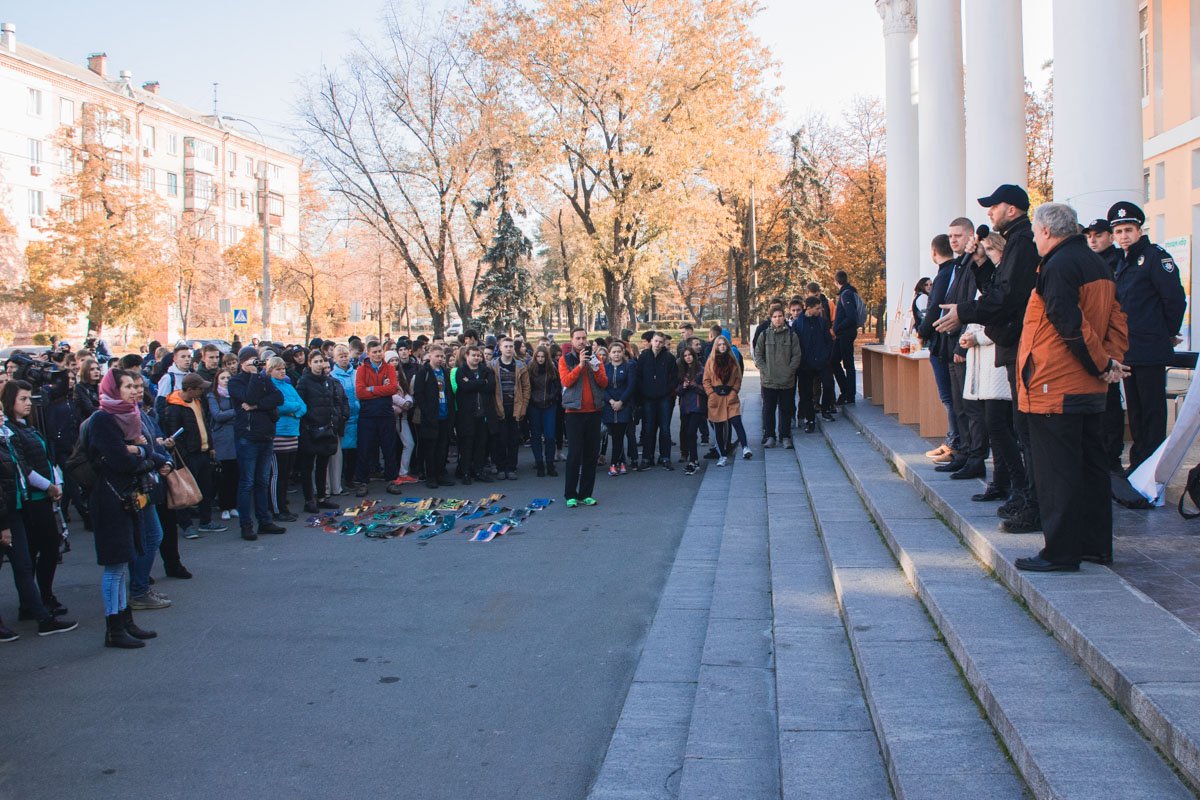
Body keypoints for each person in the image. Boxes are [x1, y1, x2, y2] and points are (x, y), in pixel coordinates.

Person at [1013, 203, 1129, 572]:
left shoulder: (1059, 265)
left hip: (1055, 385)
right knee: (1092, 468)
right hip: (1088, 386)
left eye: (1035, 232)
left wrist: (1101, 363)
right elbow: (1117, 319)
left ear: (1047, 231)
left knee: (1057, 472)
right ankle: (1095, 546)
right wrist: (1109, 363)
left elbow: (1069, 322)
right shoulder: (1098, 262)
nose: (1033, 238)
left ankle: (1060, 552)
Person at [935, 183, 1041, 533]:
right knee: (1011, 425)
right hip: (1003, 343)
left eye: (993, 207)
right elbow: (996, 288)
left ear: (1012, 209)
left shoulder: (1022, 243)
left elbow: (1008, 297)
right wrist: (980, 264)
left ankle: (1028, 497)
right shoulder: (1016, 241)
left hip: (1011, 342)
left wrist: (965, 313)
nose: (989, 214)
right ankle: (1021, 493)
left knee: (1017, 428)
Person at [87, 368, 165, 647]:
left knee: (124, 562)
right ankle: (114, 629)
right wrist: (141, 452)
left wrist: (140, 452)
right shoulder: (103, 419)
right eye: (127, 386)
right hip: (110, 500)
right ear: (113, 389)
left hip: (127, 496)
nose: (134, 391)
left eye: (135, 386)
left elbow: (143, 452)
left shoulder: (129, 415)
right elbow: (121, 460)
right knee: (115, 566)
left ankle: (125, 620)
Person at [1110, 200, 1187, 473]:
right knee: (1137, 411)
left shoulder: (1155, 257)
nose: (1124, 236)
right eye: (1119, 232)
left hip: (1150, 347)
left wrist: (1168, 332)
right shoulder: (1123, 261)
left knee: (1152, 412)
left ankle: (1152, 467)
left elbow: (1174, 299)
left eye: (1129, 230)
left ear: (1139, 230)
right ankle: (1138, 463)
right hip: (1129, 349)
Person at [0, 404, 77, 639]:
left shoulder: (8, 439)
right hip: (6, 516)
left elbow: (21, 472)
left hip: (15, 511)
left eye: (1, 411)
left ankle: (42, 618)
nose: (1, 415)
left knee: (23, 565)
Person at [961, 232, 1024, 504]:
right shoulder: (993, 278)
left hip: (999, 359)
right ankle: (1001, 481)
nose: (985, 254)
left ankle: (1015, 482)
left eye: (989, 250)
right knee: (994, 426)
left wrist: (977, 336)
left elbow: (1001, 317)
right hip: (985, 362)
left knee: (999, 426)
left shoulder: (1008, 278)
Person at [228, 347, 286, 540]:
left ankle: (264, 521)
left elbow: (278, 398)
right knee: (247, 483)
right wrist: (254, 378)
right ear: (242, 362)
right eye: (251, 361)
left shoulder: (264, 379)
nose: (255, 365)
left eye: (257, 361)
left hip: (266, 435)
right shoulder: (235, 382)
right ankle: (246, 524)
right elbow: (248, 397)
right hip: (248, 437)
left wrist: (257, 406)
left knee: (263, 481)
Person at [1083, 218, 1126, 474]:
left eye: (1099, 235)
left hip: (1112, 344)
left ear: (1110, 237)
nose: (1093, 239)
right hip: (1094, 343)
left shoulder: (1118, 262)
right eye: (1090, 235)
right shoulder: (1091, 263)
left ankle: (1112, 456)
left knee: (1111, 404)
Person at [161, 372, 226, 537]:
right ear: (190, 389)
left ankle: (206, 521)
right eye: (199, 389)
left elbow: (204, 424)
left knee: (206, 489)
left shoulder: (197, 402)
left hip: (203, 452)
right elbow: (173, 433)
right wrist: (185, 455)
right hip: (188, 456)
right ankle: (186, 525)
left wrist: (210, 445)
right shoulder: (174, 407)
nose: (202, 392)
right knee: (184, 490)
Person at [560, 327, 609, 507]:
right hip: (574, 412)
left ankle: (586, 493)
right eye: (578, 338)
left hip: (594, 412)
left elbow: (604, 383)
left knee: (591, 454)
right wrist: (580, 365)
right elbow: (566, 381)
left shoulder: (596, 358)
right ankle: (570, 494)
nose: (582, 341)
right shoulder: (565, 359)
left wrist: (595, 367)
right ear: (572, 340)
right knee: (574, 454)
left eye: (584, 338)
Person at [295, 351, 342, 513]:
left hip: (327, 429)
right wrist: (311, 421)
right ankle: (309, 500)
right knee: (308, 467)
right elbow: (300, 405)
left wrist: (334, 420)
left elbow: (334, 402)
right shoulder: (304, 381)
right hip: (310, 430)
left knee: (323, 465)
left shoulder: (328, 381)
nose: (319, 364)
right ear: (309, 363)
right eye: (315, 361)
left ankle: (322, 497)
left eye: (321, 361)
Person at [353, 341, 399, 496]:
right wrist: (382, 388)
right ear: (368, 353)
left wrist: (371, 388)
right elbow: (360, 392)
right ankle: (363, 482)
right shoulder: (361, 370)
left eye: (380, 351)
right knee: (364, 448)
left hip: (386, 413)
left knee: (389, 448)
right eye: (374, 352)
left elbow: (393, 388)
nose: (378, 354)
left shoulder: (390, 368)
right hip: (368, 414)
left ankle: (391, 480)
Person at [753, 306, 802, 448]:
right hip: (769, 381)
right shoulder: (764, 335)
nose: (777, 319)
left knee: (786, 409)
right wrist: (765, 371)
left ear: (784, 317)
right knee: (769, 409)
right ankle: (770, 436)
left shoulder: (792, 335)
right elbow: (758, 355)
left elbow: (796, 356)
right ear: (771, 318)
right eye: (774, 317)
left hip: (787, 381)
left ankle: (785, 436)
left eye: (780, 316)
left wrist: (789, 371)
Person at [266, 357, 306, 521]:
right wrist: (291, 407)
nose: (282, 371)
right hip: (278, 434)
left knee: (286, 475)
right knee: (277, 474)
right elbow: (278, 406)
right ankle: (276, 509)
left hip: (293, 433)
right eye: (278, 369)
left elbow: (303, 406)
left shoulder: (289, 386)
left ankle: (284, 506)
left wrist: (294, 411)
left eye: (283, 368)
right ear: (270, 371)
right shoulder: (269, 386)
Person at [413, 344, 456, 490]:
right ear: (430, 356)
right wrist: (427, 412)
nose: (440, 359)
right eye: (437, 356)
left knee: (442, 447)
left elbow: (449, 392)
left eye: (442, 356)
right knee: (430, 448)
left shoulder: (444, 371)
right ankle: (430, 475)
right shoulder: (423, 372)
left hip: (444, 415)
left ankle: (441, 473)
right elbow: (418, 393)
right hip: (430, 417)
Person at [451, 345, 494, 485]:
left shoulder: (486, 370)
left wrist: (473, 383)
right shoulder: (460, 371)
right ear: (466, 356)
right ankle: (465, 472)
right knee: (466, 444)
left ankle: (479, 470)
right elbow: (464, 387)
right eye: (473, 355)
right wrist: (481, 382)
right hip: (466, 415)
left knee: (481, 444)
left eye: (478, 355)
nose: (477, 358)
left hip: (482, 414)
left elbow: (490, 386)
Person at [635, 332, 678, 470]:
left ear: (663, 342)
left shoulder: (669, 358)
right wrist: (643, 392)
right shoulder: (643, 357)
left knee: (664, 428)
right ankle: (647, 457)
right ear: (651, 341)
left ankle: (665, 457)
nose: (658, 344)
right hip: (647, 398)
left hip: (664, 398)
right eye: (656, 341)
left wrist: (667, 390)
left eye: (660, 341)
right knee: (648, 428)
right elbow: (639, 376)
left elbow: (674, 378)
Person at [702, 336, 747, 466]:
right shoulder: (710, 362)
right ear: (716, 346)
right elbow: (706, 381)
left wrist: (734, 392)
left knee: (736, 421)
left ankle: (745, 447)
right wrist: (711, 394)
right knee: (718, 428)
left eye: (724, 344)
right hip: (716, 397)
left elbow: (738, 378)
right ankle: (722, 455)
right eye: (719, 344)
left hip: (730, 396)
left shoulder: (733, 361)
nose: (722, 346)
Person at [490, 337, 530, 480]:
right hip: (499, 407)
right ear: (500, 348)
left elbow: (526, 388)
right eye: (506, 346)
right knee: (500, 439)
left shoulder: (520, 366)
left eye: (511, 346)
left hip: (515, 407)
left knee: (513, 439)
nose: (508, 349)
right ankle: (501, 467)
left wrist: (523, 406)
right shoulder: (493, 365)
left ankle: (511, 467)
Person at [796, 296, 834, 432]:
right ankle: (810, 420)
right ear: (809, 308)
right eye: (817, 308)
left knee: (829, 385)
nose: (820, 310)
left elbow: (828, 341)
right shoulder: (798, 323)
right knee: (806, 393)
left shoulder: (821, 322)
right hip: (805, 364)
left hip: (822, 361)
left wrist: (826, 356)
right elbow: (796, 344)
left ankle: (825, 409)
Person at [206, 369, 239, 522]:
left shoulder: (235, 394)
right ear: (217, 380)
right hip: (221, 438)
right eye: (223, 378)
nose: (226, 380)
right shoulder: (213, 395)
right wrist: (236, 411)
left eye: (228, 377)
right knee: (223, 474)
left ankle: (233, 505)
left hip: (235, 436)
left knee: (235, 473)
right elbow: (217, 415)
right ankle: (224, 506)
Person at [603, 342, 636, 476]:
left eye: (619, 351)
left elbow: (631, 386)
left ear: (623, 352)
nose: (616, 354)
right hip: (609, 406)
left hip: (624, 406)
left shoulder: (629, 367)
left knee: (620, 436)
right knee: (614, 436)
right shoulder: (605, 368)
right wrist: (611, 401)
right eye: (613, 352)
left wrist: (621, 401)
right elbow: (602, 387)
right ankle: (620, 461)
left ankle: (613, 463)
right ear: (609, 354)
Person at [329, 345, 359, 495]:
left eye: (346, 355)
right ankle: (342, 479)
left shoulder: (356, 373)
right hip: (344, 417)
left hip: (357, 415)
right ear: (335, 359)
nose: (344, 359)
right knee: (343, 451)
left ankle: (351, 478)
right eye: (340, 356)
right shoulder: (333, 376)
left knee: (355, 450)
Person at [528, 345, 561, 477]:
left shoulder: (552, 369)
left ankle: (550, 463)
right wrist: (532, 399)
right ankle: (539, 463)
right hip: (534, 405)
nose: (540, 359)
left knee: (550, 435)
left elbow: (558, 386)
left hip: (549, 405)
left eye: (542, 357)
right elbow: (526, 387)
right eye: (538, 357)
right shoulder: (530, 369)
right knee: (535, 436)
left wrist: (551, 397)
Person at [385, 352, 417, 487]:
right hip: (390, 416)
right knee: (390, 447)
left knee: (409, 443)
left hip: (402, 417)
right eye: (391, 360)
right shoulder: (384, 376)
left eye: (395, 360)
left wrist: (408, 402)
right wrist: (403, 404)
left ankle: (403, 472)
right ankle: (392, 474)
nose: (394, 362)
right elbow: (388, 393)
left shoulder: (401, 374)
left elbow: (407, 391)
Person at [831, 271, 862, 405]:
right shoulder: (847, 293)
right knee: (834, 361)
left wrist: (837, 328)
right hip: (843, 334)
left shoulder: (846, 294)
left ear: (836, 282)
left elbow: (851, 317)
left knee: (847, 364)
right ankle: (846, 391)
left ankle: (849, 394)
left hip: (845, 334)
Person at [676, 348, 705, 475]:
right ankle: (693, 460)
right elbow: (677, 391)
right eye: (685, 355)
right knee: (688, 433)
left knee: (692, 432)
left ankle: (694, 461)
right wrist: (683, 386)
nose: (688, 357)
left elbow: (705, 389)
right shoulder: (681, 371)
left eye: (690, 355)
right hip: (685, 406)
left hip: (697, 405)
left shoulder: (700, 370)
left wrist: (694, 385)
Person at [154, 344, 192, 418]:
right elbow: (160, 403)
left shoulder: (192, 376)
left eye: (189, 357)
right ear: (175, 359)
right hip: (174, 420)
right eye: (183, 357)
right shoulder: (168, 378)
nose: (187, 359)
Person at [74, 355, 101, 420]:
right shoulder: (80, 387)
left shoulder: (100, 386)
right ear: (85, 371)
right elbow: (89, 409)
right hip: (89, 421)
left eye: (97, 369)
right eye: (92, 369)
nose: (96, 371)